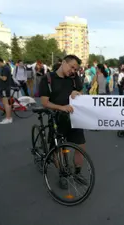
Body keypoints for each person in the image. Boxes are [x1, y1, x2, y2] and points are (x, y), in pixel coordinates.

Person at [39, 55, 87, 189]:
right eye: (71, 67)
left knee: (81, 147)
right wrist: (62, 108)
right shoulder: (48, 79)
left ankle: (77, 173)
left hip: (74, 118)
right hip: (57, 118)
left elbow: (81, 93)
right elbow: (45, 102)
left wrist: (76, 93)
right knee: (58, 150)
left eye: (75, 69)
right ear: (63, 62)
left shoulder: (74, 78)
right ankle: (62, 174)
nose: (73, 71)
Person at [0, 57, 12, 124]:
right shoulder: (4, 68)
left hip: (5, 88)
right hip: (3, 87)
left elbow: (4, 78)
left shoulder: (5, 68)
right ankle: (8, 117)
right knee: (6, 103)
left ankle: (8, 118)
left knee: (6, 103)